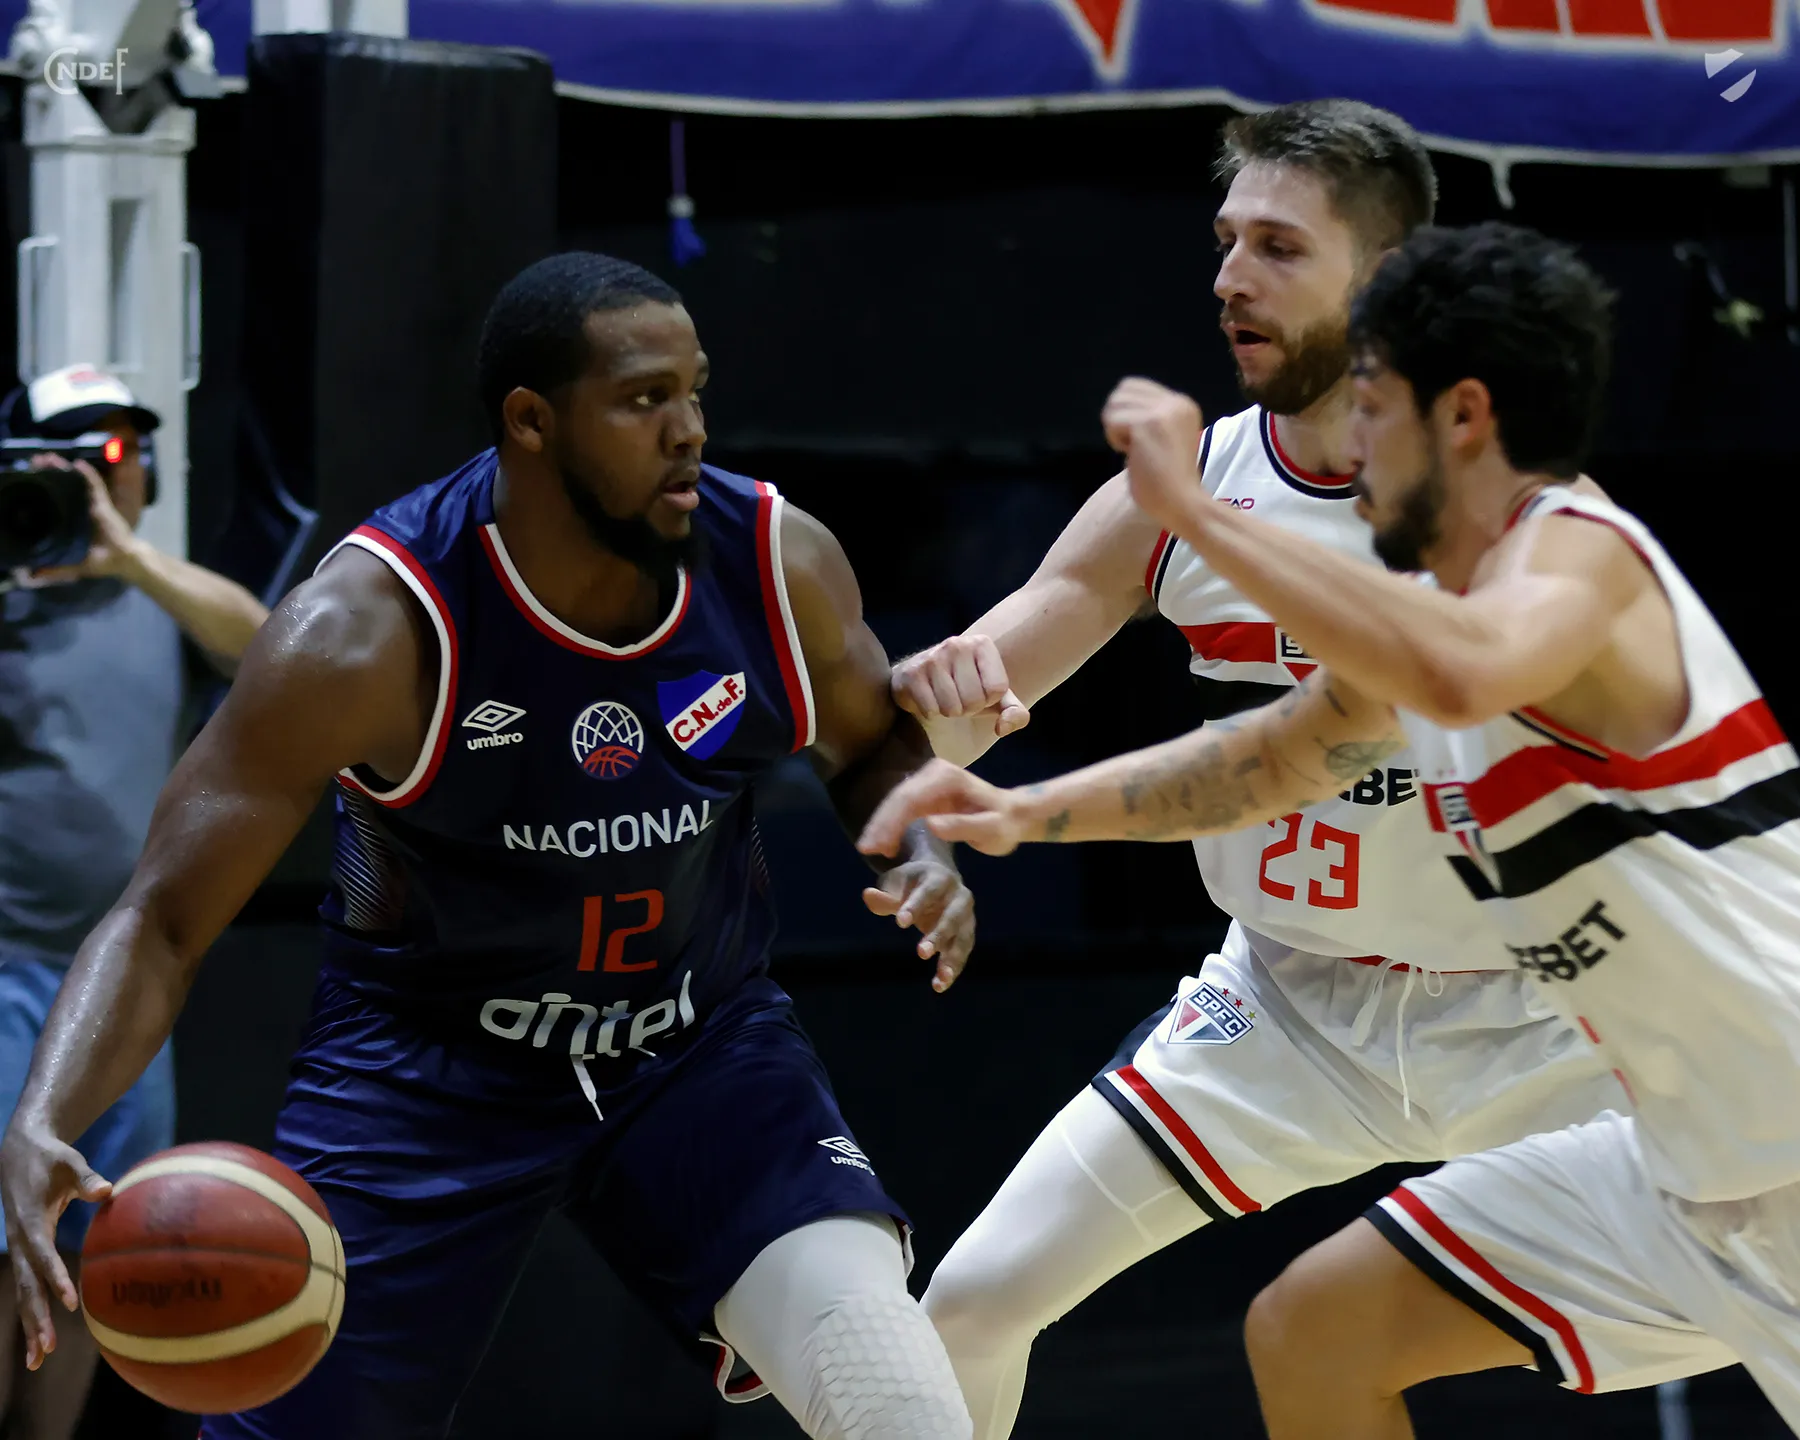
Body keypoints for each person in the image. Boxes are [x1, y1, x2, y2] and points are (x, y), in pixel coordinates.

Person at [0, 255, 977, 1440]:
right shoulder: (366, 630)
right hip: (423, 1077)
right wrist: (43, 1119)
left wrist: (920, 850)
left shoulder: (777, 560)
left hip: (696, 1047)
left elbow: (872, 747)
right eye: (644, 399)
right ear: (531, 420)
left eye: (695, 393)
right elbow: (161, 919)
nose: (688, 431)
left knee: (898, 1399)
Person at [867, 222, 1800, 1433]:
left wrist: (1198, 516)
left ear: (1463, 416)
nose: (1348, 450)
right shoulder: (1423, 618)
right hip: (1670, 1164)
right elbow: (1269, 761)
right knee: (1316, 1330)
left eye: (1371, 409)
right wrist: (1018, 813)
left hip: (1773, 1132)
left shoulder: (1580, 556)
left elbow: (1466, 673)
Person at [0, 363, 270, 1439]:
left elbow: (267, 646)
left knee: (92, 1246)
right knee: (5, 1238)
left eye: (117, 452)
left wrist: (129, 557)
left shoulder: (164, 599)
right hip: (8, 971)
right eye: (69, 458)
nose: (101, 475)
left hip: (119, 988)